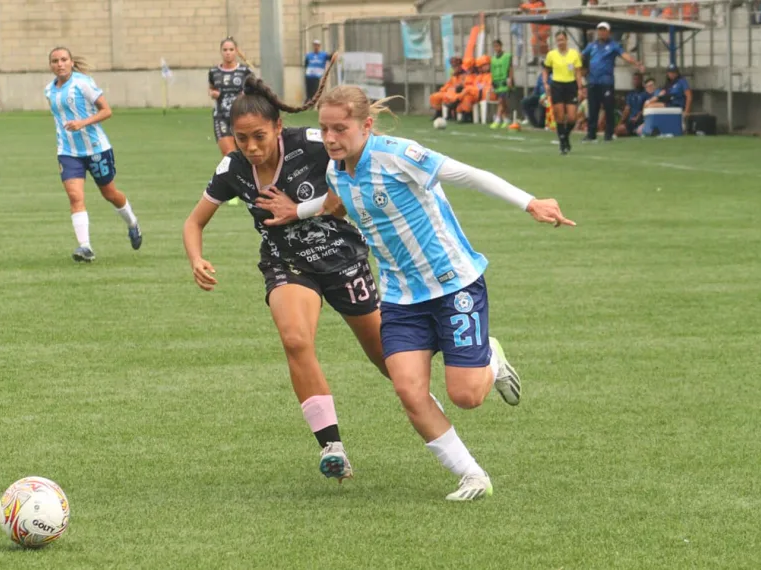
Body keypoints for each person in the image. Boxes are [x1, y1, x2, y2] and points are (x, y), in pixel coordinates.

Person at [316, 85, 576, 501]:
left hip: (454, 283)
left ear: (365, 125)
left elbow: (469, 175)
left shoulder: (399, 155)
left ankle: (490, 356)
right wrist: (295, 211)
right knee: (408, 391)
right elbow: (335, 203)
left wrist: (529, 202)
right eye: (324, 128)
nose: (330, 138)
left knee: (466, 396)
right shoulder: (335, 171)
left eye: (340, 128)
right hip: (401, 297)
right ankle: (473, 476)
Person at [183, 56, 388, 481]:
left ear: (278, 128)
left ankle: (477, 364)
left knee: (389, 361)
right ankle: (332, 446)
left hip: (343, 259)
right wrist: (196, 256)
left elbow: (350, 191)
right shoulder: (233, 168)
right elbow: (194, 221)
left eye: (259, 136)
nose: (252, 147)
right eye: (242, 139)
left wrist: (298, 211)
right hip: (287, 263)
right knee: (295, 340)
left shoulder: (314, 144)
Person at [45, 47, 142, 262]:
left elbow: (106, 111)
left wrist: (82, 123)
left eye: (63, 60)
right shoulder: (49, 91)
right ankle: (85, 247)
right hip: (68, 152)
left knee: (110, 194)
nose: (59, 64)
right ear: (50, 65)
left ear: (71, 62)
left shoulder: (83, 83)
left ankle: (132, 223)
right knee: (75, 197)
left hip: (97, 149)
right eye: (55, 61)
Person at [580, 22, 644, 142]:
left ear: (608, 32)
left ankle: (608, 134)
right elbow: (581, 56)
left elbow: (625, 55)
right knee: (593, 108)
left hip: (606, 82)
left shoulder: (614, 45)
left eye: (604, 30)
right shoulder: (592, 45)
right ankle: (591, 134)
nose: (601, 32)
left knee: (608, 108)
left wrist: (636, 63)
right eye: (600, 30)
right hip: (593, 81)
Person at [208, 38, 254, 158]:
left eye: (231, 49)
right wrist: (213, 93)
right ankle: (231, 175)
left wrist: (245, 95)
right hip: (221, 117)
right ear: (221, 52)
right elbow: (211, 88)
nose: (228, 52)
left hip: (240, 116)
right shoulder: (214, 72)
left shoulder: (244, 71)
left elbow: (253, 91)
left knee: (243, 154)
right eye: (225, 50)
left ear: (236, 51)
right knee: (229, 154)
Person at [544, 31, 584, 154]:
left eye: (562, 39)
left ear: (567, 40)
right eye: (558, 40)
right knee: (559, 115)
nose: (561, 42)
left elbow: (578, 72)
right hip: (557, 85)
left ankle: (565, 136)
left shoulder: (574, 54)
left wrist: (580, 88)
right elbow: (545, 70)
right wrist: (546, 83)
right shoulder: (551, 54)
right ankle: (562, 143)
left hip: (570, 85)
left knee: (572, 117)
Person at [489, 40, 515, 129]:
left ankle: (497, 119)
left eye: (497, 46)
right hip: (497, 82)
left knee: (501, 100)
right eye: (494, 46)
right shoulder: (493, 59)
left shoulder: (507, 56)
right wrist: (492, 82)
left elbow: (510, 68)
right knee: (503, 102)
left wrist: (510, 79)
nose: (496, 48)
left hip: (505, 81)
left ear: (501, 46)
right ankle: (506, 119)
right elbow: (492, 71)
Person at [616, 73, 650, 137]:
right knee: (618, 130)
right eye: (634, 79)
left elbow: (645, 108)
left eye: (637, 79)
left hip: (641, 120)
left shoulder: (646, 94)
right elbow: (627, 109)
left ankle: (633, 131)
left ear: (641, 80)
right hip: (631, 121)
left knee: (621, 130)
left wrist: (638, 116)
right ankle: (631, 132)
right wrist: (620, 122)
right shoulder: (630, 94)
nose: (636, 81)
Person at [304, 40, 329, 104]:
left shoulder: (323, 55)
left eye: (317, 45)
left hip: (317, 75)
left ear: (319, 46)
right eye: (315, 45)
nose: (316, 47)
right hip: (309, 75)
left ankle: (314, 101)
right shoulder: (309, 55)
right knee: (309, 89)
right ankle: (309, 100)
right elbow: (306, 64)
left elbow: (329, 57)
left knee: (315, 89)